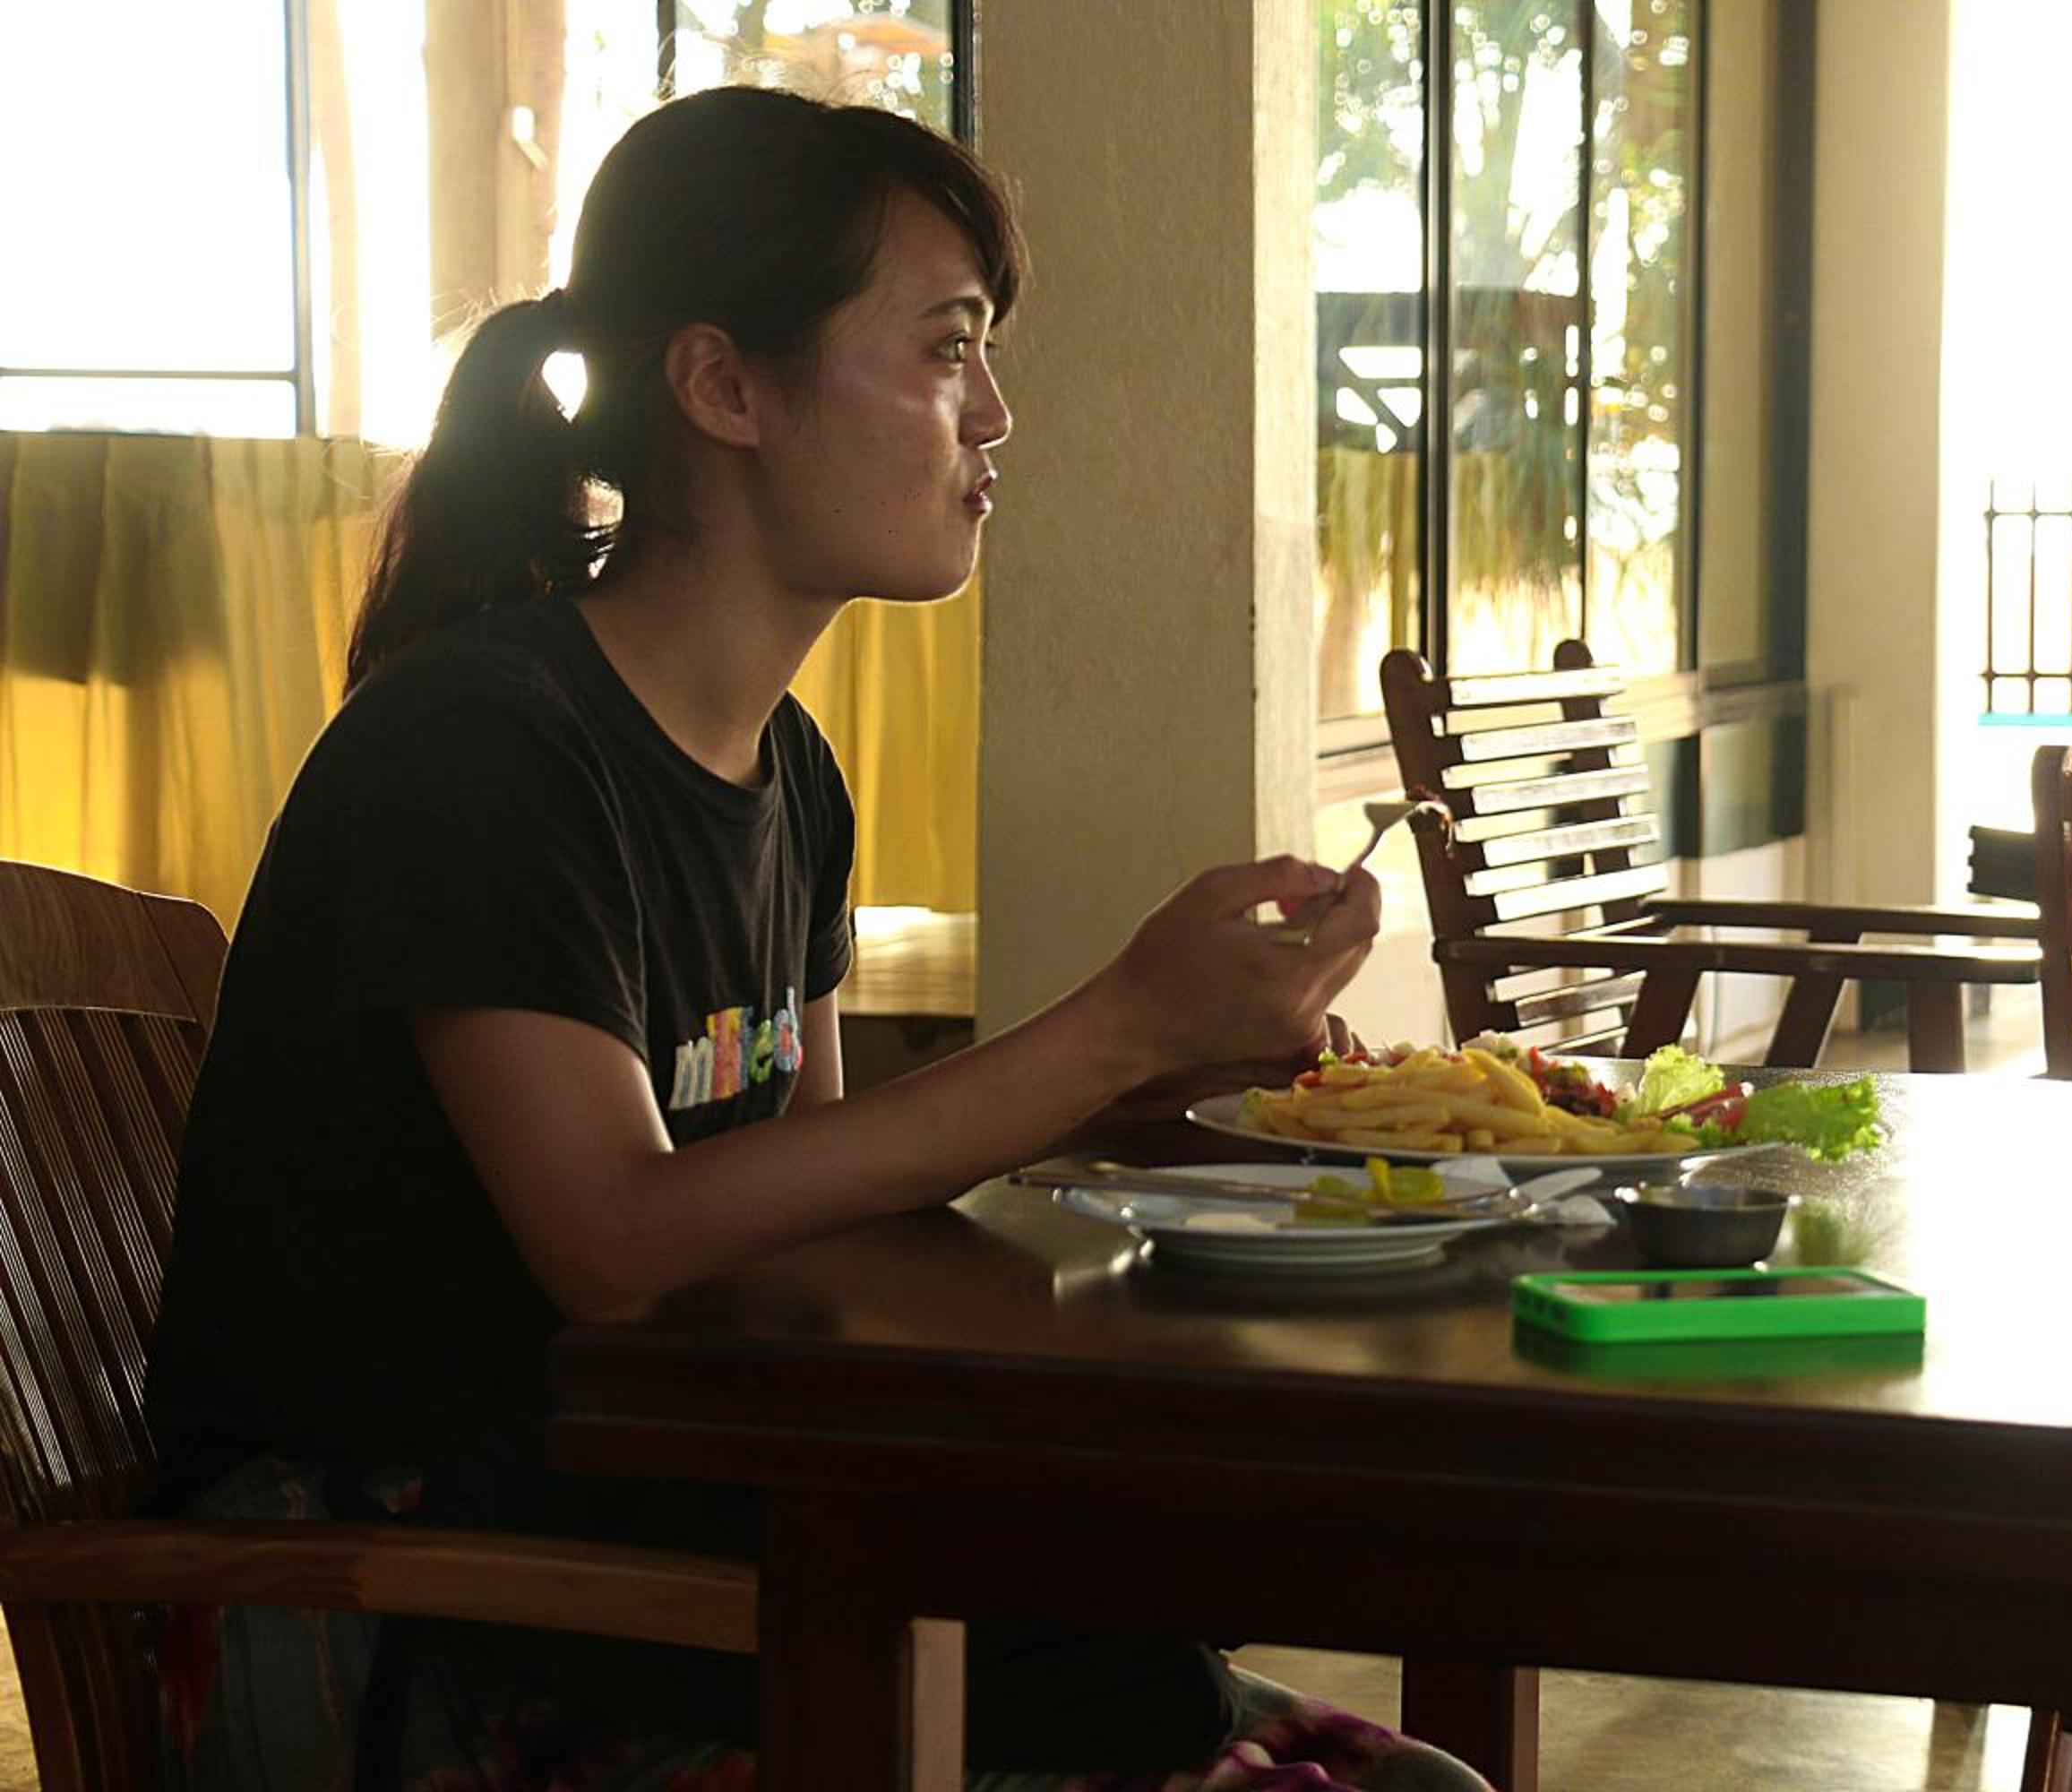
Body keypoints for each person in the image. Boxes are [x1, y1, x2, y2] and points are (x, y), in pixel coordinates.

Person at [142, 86, 1482, 1792]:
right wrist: (1115, 1025)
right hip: (391, 1605)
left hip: (641, 1528)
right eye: (946, 348)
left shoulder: (788, 771)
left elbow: (812, 1207)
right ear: (725, 388)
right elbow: (615, 1244)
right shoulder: (479, 750)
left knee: (1240, 1642)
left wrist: (1161, 1084)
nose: (994, 413)